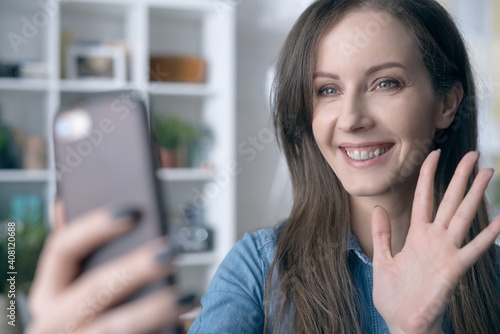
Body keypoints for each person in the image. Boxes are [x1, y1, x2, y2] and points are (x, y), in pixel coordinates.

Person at [27, 0, 500, 333]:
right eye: (327, 90)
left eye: (386, 83)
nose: (351, 119)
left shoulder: (492, 277)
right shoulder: (259, 270)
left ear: (447, 104)